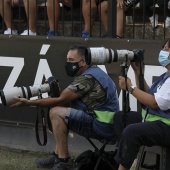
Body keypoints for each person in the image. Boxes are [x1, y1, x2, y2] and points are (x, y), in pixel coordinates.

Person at [10, 45, 120, 170]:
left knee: (56, 112)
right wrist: (55, 92)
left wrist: (29, 102)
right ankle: (58, 155)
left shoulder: (88, 78)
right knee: (59, 110)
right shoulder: (94, 72)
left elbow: (61, 99)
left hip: (102, 126)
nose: (68, 63)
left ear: (83, 61)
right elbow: (66, 100)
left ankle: (64, 161)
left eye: (71, 60)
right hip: (103, 122)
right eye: (67, 60)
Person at [115, 38, 170, 170]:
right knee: (121, 117)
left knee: (132, 131)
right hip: (157, 122)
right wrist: (137, 71)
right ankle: (130, 157)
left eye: (166, 49)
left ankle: (123, 167)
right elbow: (148, 95)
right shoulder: (165, 76)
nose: (162, 51)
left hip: (166, 126)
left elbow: (155, 103)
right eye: (162, 48)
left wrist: (130, 88)